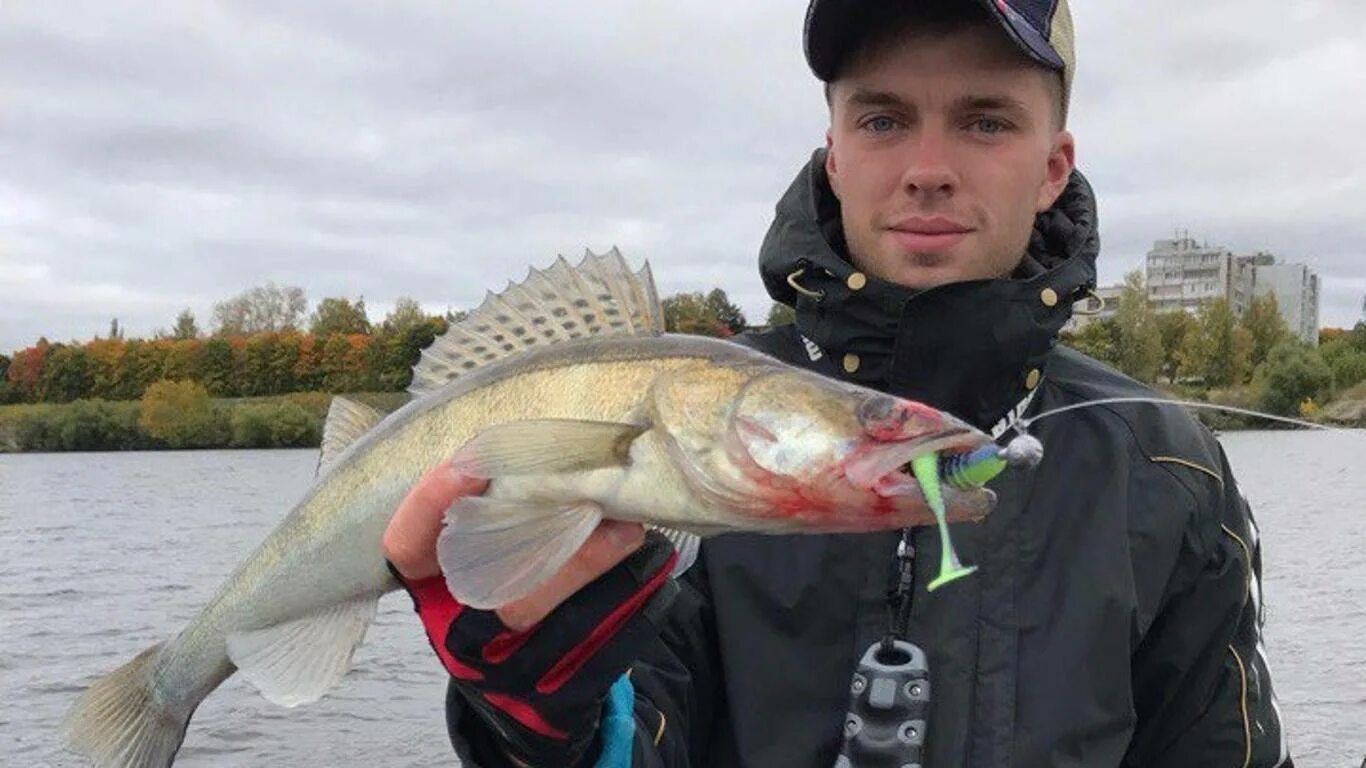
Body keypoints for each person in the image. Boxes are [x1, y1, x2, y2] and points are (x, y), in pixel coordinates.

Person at [382, 1, 1293, 765]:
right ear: (835, 154)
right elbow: (637, 738)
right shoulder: (699, 432)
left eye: (986, 121)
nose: (928, 171)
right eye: (883, 120)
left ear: (1054, 166)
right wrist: (545, 728)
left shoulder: (1171, 469)